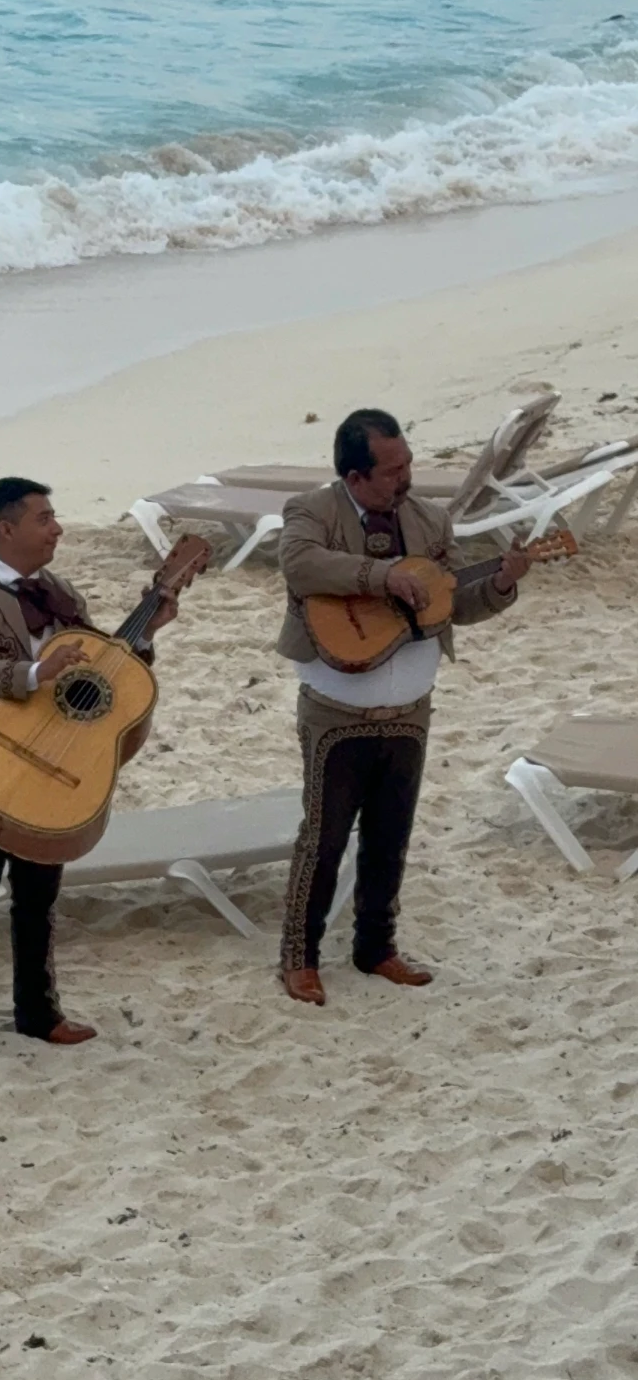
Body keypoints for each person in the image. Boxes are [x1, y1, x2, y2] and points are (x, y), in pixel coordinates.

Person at [276, 408, 530, 1005]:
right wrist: (381, 576)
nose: (406, 477)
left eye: (408, 462)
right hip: (336, 708)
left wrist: (500, 585)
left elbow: (452, 604)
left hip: (411, 707)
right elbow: (300, 563)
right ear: (356, 476)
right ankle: (299, 956)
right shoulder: (313, 511)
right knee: (325, 835)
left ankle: (377, 948)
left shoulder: (430, 520)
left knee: (391, 832)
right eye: (392, 470)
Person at [0, 476, 175, 1065]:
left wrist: (148, 632)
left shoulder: (59, 591)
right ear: (5, 529)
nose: (57, 527)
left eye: (55, 517)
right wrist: (36, 672)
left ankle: (38, 1012)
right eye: (45, 518)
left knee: (38, 899)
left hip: (58, 762)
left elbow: (101, 677)